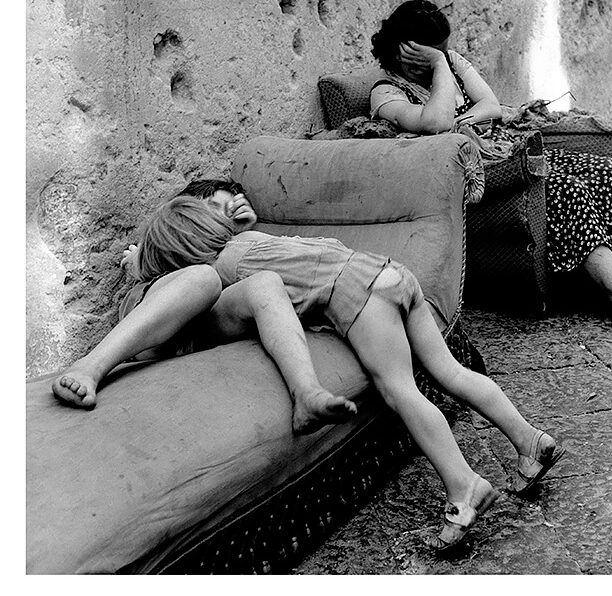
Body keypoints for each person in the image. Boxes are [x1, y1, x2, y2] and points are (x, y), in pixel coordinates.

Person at [132, 195, 566, 550]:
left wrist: (137, 268)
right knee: (450, 371)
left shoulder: (221, 271)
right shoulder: (255, 240)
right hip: (389, 271)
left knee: (401, 391)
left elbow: (193, 310)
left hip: (357, 292)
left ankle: (463, 484)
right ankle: (530, 440)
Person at [368, 0, 612, 340]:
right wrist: (439, 69)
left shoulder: (450, 62)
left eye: (444, 52)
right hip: (477, 178)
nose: (444, 58)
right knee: (566, 189)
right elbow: (435, 121)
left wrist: (458, 100)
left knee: (607, 171)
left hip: (503, 151)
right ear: (406, 50)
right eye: (434, 54)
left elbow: (490, 105)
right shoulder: (387, 92)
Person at [51, 179, 358, 435]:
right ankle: (90, 368)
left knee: (266, 281)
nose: (226, 216)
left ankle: (306, 393)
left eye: (231, 210)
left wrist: (245, 231)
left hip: (198, 330)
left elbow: (274, 262)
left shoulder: (233, 247)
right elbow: (163, 261)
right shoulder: (160, 250)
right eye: (214, 209)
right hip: (155, 320)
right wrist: (141, 260)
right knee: (204, 277)